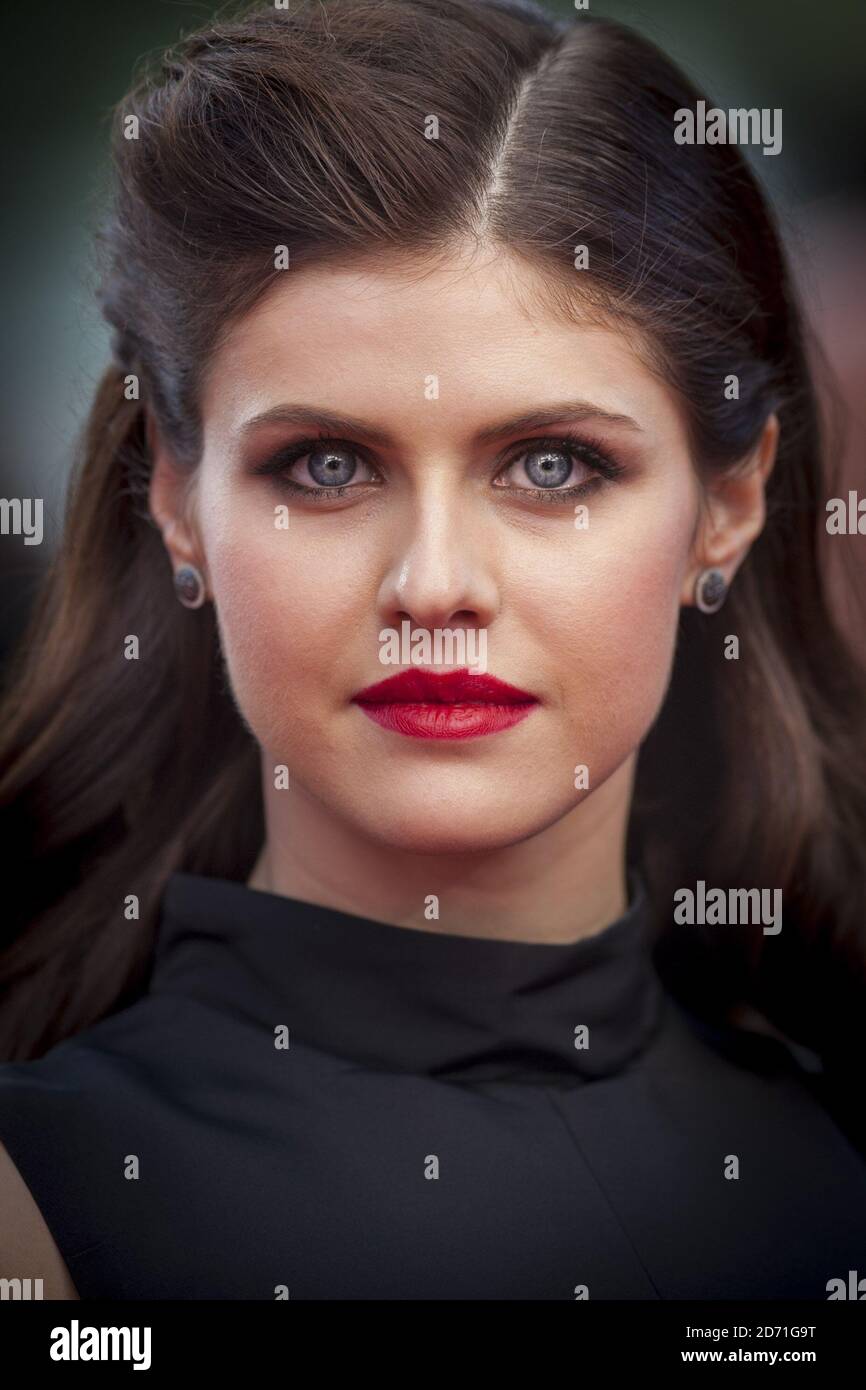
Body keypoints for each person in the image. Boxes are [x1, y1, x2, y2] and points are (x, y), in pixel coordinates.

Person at [1, 0, 864, 1300]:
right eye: (327, 465)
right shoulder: (34, 1222)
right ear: (177, 498)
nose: (435, 586)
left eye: (552, 463)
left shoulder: (835, 1156)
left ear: (727, 506)